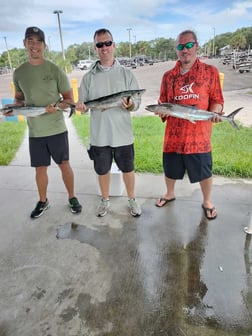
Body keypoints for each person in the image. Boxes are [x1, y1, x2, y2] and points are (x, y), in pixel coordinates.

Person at [6, 26, 82, 218]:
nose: (34, 45)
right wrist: (13, 109)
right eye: (30, 41)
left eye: (38, 41)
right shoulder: (19, 72)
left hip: (56, 128)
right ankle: (43, 201)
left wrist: (56, 107)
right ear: (24, 44)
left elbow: (69, 100)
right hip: (35, 131)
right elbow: (19, 99)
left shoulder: (54, 69)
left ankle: (72, 197)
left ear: (44, 45)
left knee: (64, 164)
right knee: (40, 168)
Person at [154, 30, 224, 220]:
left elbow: (217, 99)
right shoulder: (168, 76)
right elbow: (163, 102)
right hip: (174, 137)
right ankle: (169, 193)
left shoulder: (210, 72)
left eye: (188, 45)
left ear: (196, 46)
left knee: (203, 170)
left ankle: (207, 201)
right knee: (170, 169)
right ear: (176, 50)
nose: (184, 50)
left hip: (199, 137)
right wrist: (160, 111)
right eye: (180, 46)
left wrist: (216, 112)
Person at [76, 28, 142, 217]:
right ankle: (104, 201)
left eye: (107, 43)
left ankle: (132, 200)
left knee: (128, 169)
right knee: (102, 170)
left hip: (123, 133)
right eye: (99, 44)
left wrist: (130, 104)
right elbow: (84, 104)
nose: (104, 47)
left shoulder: (126, 74)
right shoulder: (88, 77)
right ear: (95, 48)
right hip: (99, 134)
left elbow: (136, 103)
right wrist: (80, 107)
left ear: (113, 45)